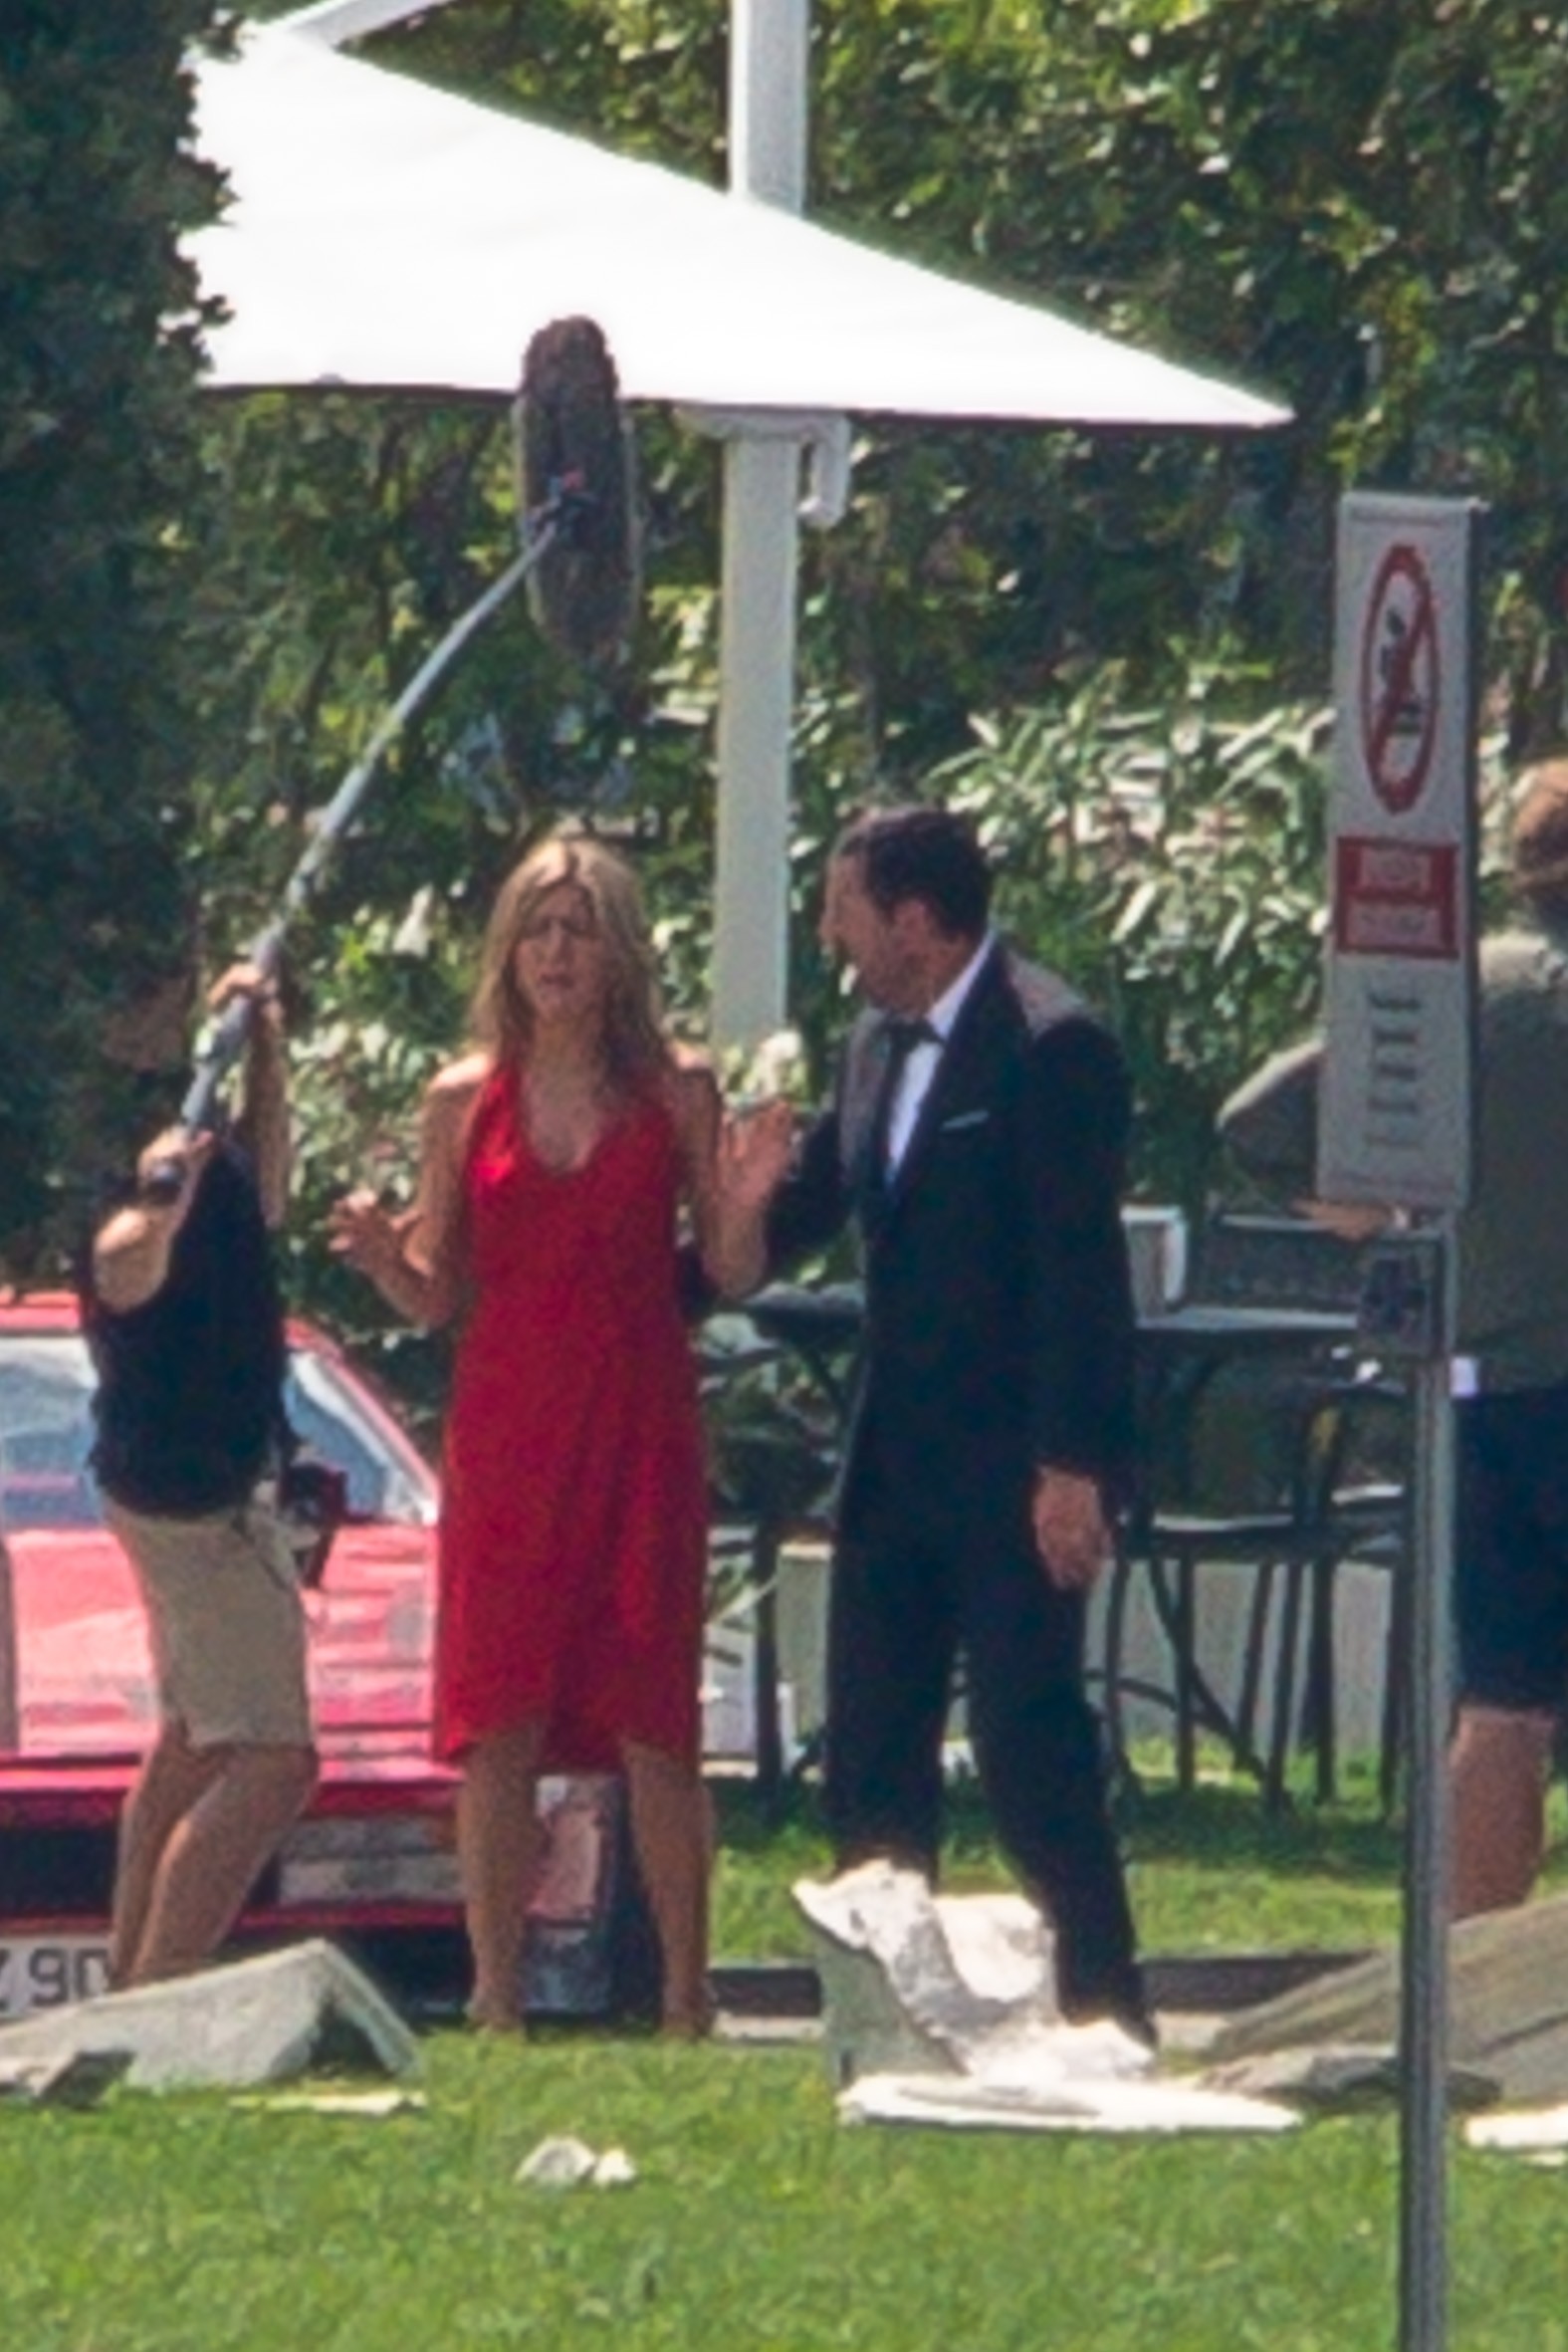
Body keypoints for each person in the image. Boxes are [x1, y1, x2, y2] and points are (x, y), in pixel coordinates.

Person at [718, 804, 1150, 2038]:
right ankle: (886, 2018)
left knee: (1027, 1745)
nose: (830, 936)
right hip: (892, 1466)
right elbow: (794, 1219)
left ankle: (1105, 2006)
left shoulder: (1051, 1043)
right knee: (870, 1752)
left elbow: (1079, 1272)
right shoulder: (870, 1046)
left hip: (1015, 1468)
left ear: (916, 918)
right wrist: (731, 1207)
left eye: (844, 910)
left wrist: (1073, 1465)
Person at [330, 833, 720, 2034]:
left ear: (618, 952)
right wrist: (381, 1257)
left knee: (654, 1716)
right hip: (509, 1428)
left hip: (639, 1419)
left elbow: (732, 1262)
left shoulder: (676, 1089)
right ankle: (495, 1994)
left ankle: (686, 1996)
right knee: (496, 1719)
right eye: (538, 930)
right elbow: (436, 1292)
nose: (557, 953)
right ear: (508, 950)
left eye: (580, 930)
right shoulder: (463, 1098)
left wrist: (749, 1192)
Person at [1220, 754, 1568, 1918]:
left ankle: (1471, 1974)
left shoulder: (1460, 994)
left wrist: (1364, 1195)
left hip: (1483, 1396)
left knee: (1501, 1707)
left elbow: (1258, 1115)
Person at [84, 963, 318, 1988]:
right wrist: (160, 1199)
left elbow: (267, 1183)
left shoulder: (216, 1163)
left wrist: (263, 1039)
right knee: (274, 1760)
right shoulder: (133, 1182)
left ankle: (128, 1973)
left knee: (192, 1739)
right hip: (190, 1506)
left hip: (212, 1485)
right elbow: (119, 1268)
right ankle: (167, 1973)